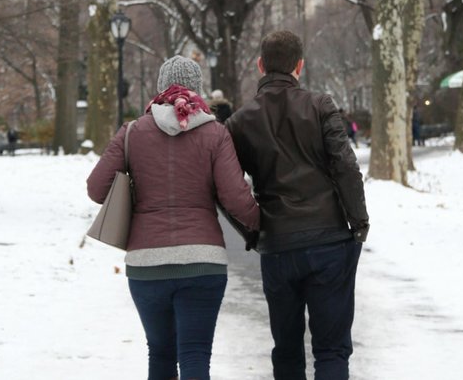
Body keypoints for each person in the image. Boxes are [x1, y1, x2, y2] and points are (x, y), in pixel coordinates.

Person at [86, 55, 259, 380]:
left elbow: (97, 189)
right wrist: (265, 224)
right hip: (203, 262)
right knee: (195, 356)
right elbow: (236, 198)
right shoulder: (214, 133)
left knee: (161, 354)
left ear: (159, 89)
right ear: (198, 90)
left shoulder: (131, 133)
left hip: (146, 264)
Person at [225, 31, 369, 380]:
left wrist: (253, 231)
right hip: (329, 239)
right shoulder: (321, 106)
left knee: (287, 351)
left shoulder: (240, 122)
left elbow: (227, 188)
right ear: (299, 66)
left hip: (278, 244)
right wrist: (357, 221)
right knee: (332, 348)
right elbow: (345, 166)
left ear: (260, 65)